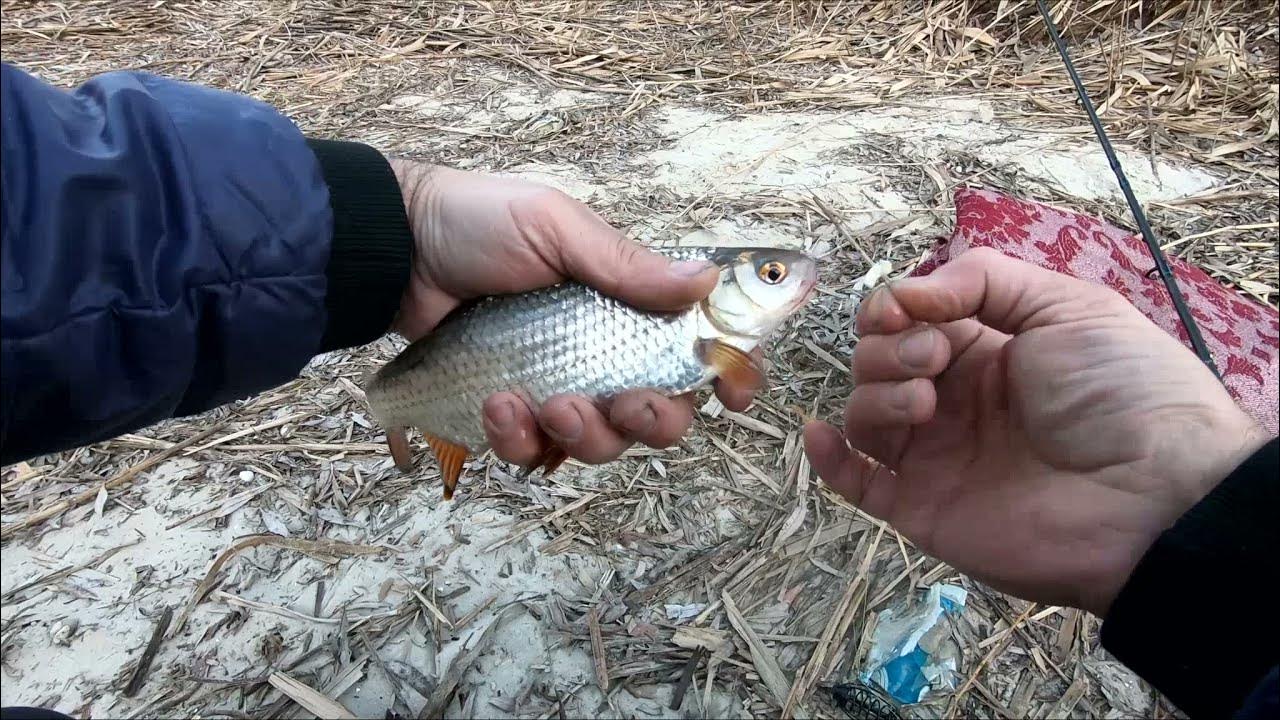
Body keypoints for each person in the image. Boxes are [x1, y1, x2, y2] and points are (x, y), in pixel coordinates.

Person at [0, 62, 1274, 720]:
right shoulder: (694, 328)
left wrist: (399, 225)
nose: (785, 286)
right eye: (769, 276)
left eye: (770, 277)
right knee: (528, 409)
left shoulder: (704, 340)